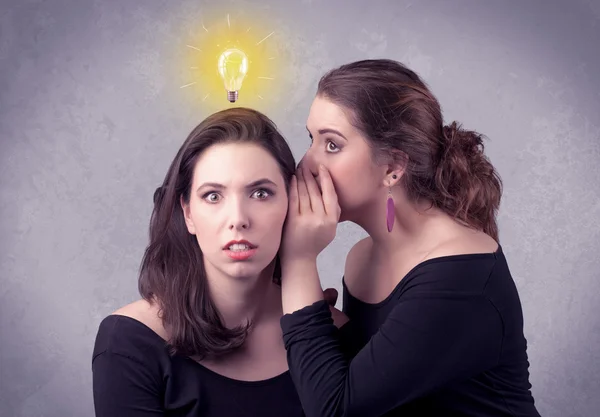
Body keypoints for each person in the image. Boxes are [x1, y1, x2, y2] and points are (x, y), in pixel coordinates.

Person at [279, 59, 541, 416]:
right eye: (312, 140)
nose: (306, 164)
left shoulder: (460, 275)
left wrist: (298, 261)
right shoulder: (362, 260)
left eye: (332, 145)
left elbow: (335, 409)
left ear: (393, 168)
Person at [91, 107, 345, 416]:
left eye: (261, 193)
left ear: (292, 203)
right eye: (213, 196)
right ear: (187, 214)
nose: (237, 219)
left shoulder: (335, 335)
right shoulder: (130, 343)